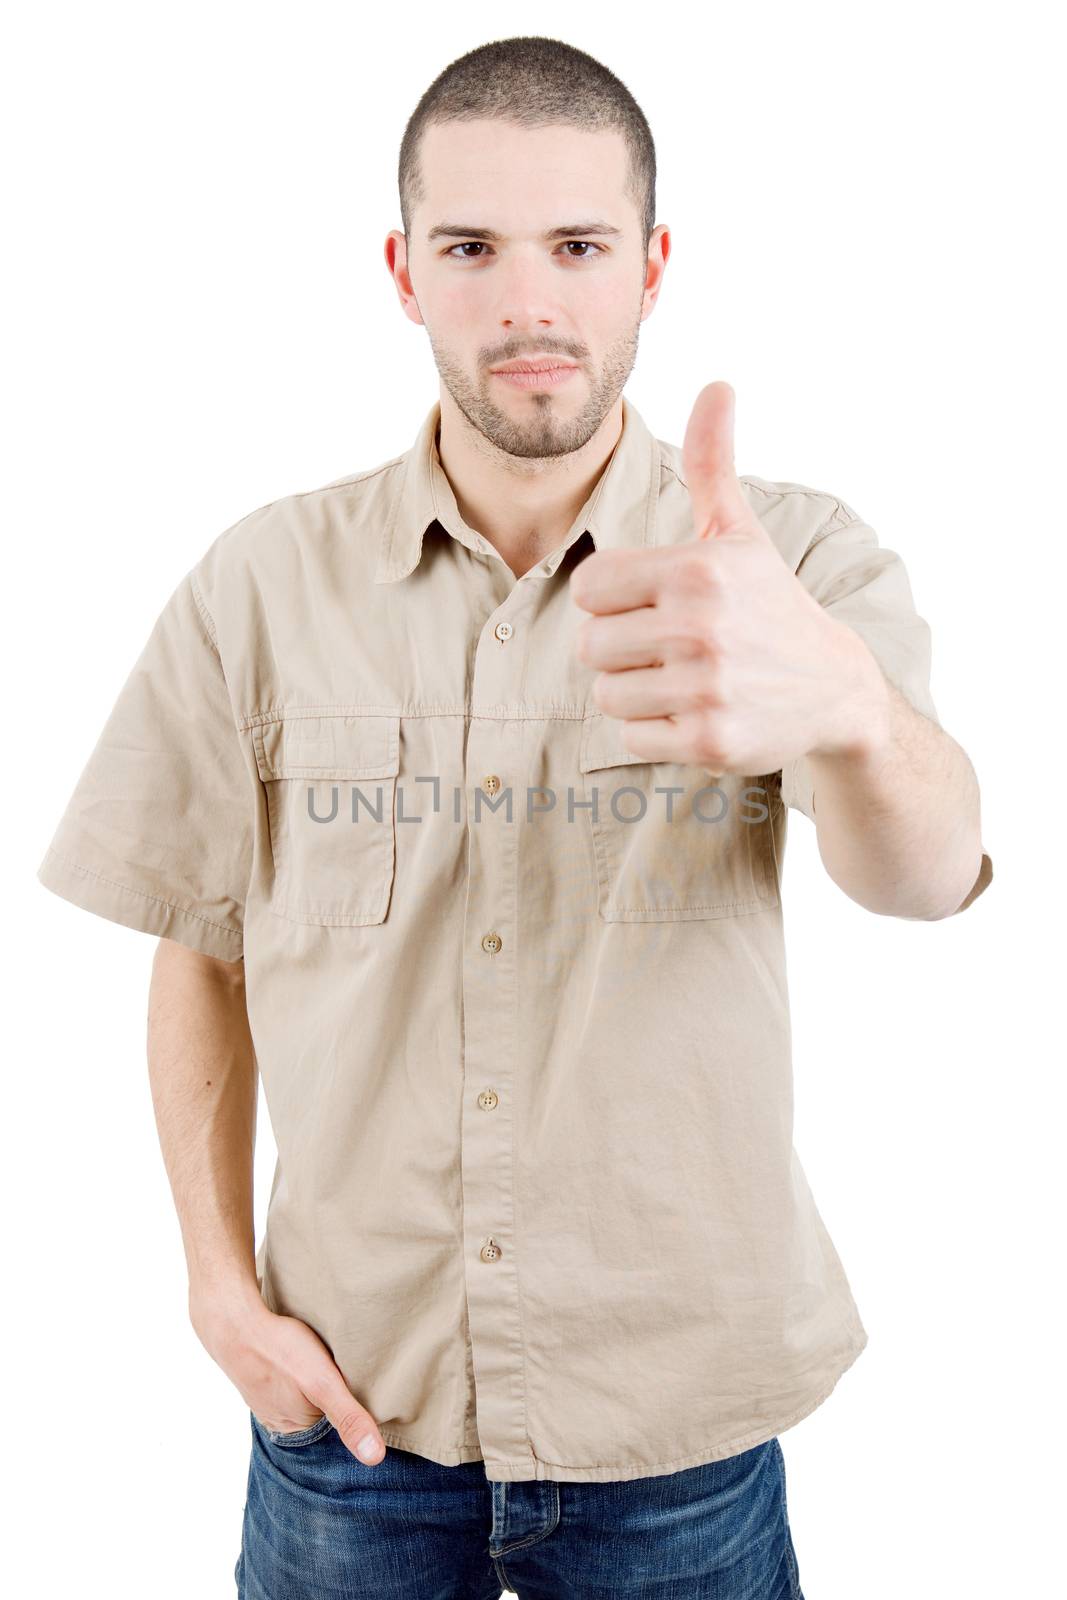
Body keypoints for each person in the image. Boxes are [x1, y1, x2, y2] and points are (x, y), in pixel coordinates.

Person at [37, 33, 993, 1600]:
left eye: (578, 246)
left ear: (652, 267)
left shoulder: (786, 565)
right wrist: (217, 1288)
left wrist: (850, 708)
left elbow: (931, 871)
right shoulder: (258, 585)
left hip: (677, 1448)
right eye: (472, 248)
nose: (529, 304)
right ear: (403, 269)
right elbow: (200, 946)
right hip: (352, 1431)